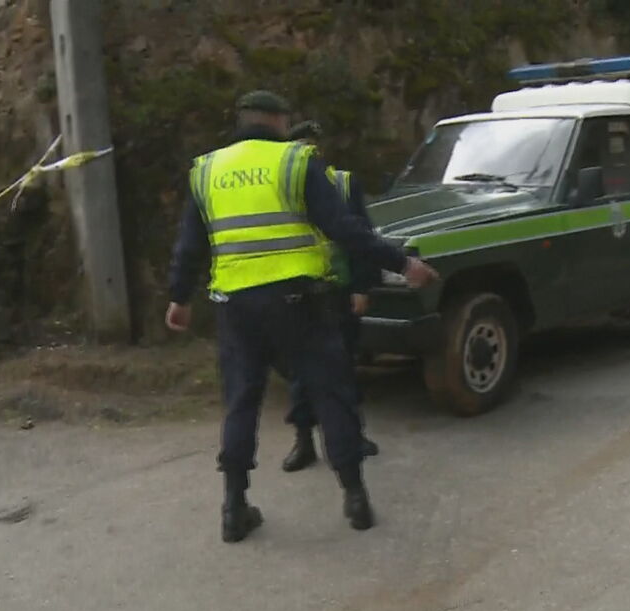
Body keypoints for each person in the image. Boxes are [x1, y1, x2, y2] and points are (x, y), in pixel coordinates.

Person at [165, 90, 438, 543]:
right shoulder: (296, 161)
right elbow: (345, 228)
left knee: (241, 401)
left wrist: (179, 297)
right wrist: (403, 264)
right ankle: (355, 498)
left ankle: (234, 508)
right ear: (278, 120)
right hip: (299, 301)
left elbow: (190, 244)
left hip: (236, 306)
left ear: (241, 120)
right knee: (332, 391)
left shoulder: (207, 169)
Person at [281, 120, 380, 472]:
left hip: (338, 289)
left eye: (313, 148)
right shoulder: (279, 188)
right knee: (300, 372)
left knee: (344, 366)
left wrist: (362, 286)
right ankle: (304, 441)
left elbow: (362, 236)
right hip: (298, 292)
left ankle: (354, 435)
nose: (310, 155)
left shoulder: (344, 182)